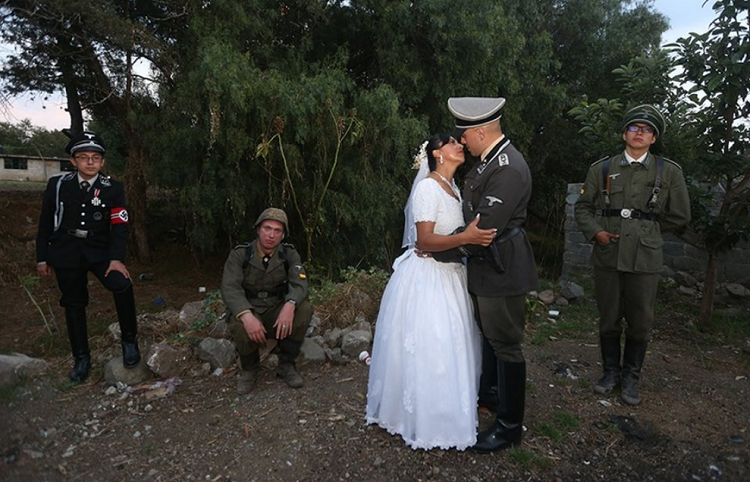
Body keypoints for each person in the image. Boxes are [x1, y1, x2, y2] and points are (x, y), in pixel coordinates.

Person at [366, 134, 496, 450]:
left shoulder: (454, 188)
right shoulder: (427, 188)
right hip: (428, 278)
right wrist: (465, 237)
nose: (459, 146)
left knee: (452, 345)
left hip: (452, 276)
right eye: (452, 143)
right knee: (431, 344)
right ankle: (420, 417)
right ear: (438, 153)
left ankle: (448, 410)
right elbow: (424, 241)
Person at [435, 97, 540, 453]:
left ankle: (509, 426)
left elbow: (483, 230)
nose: (461, 142)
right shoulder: (488, 162)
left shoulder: (507, 168)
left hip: (502, 266)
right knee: (492, 337)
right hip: (488, 265)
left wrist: (438, 251)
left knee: (506, 344)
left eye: (464, 135)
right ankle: (491, 397)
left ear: (481, 131)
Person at [575, 104, 690, 406]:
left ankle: (631, 378)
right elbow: (583, 208)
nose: (639, 133)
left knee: (640, 321)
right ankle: (610, 372)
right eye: (634, 127)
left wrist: (647, 229)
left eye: (646, 129)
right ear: (624, 133)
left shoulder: (669, 171)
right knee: (609, 318)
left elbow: (679, 215)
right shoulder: (601, 168)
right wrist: (596, 231)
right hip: (608, 253)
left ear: (654, 138)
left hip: (645, 257)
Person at [36, 130, 141, 382]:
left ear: (103, 162)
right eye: (83, 157)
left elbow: (119, 224)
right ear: (73, 161)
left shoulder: (112, 188)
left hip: (101, 251)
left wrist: (117, 258)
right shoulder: (58, 185)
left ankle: (129, 342)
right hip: (66, 250)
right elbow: (45, 223)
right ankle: (81, 358)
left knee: (122, 285)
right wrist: (42, 257)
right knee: (74, 302)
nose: (90, 162)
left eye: (96, 157)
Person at [221, 208, 313, 394]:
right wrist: (246, 315)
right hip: (250, 308)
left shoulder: (288, 254)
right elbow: (230, 287)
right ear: (258, 229)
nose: (271, 235)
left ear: (283, 234)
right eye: (267, 228)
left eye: (277, 231)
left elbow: (300, 283)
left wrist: (290, 305)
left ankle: (286, 364)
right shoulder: (240, 254)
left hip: (275, 309)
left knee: (304, 309)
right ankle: (250, 368)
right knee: (239, 324)